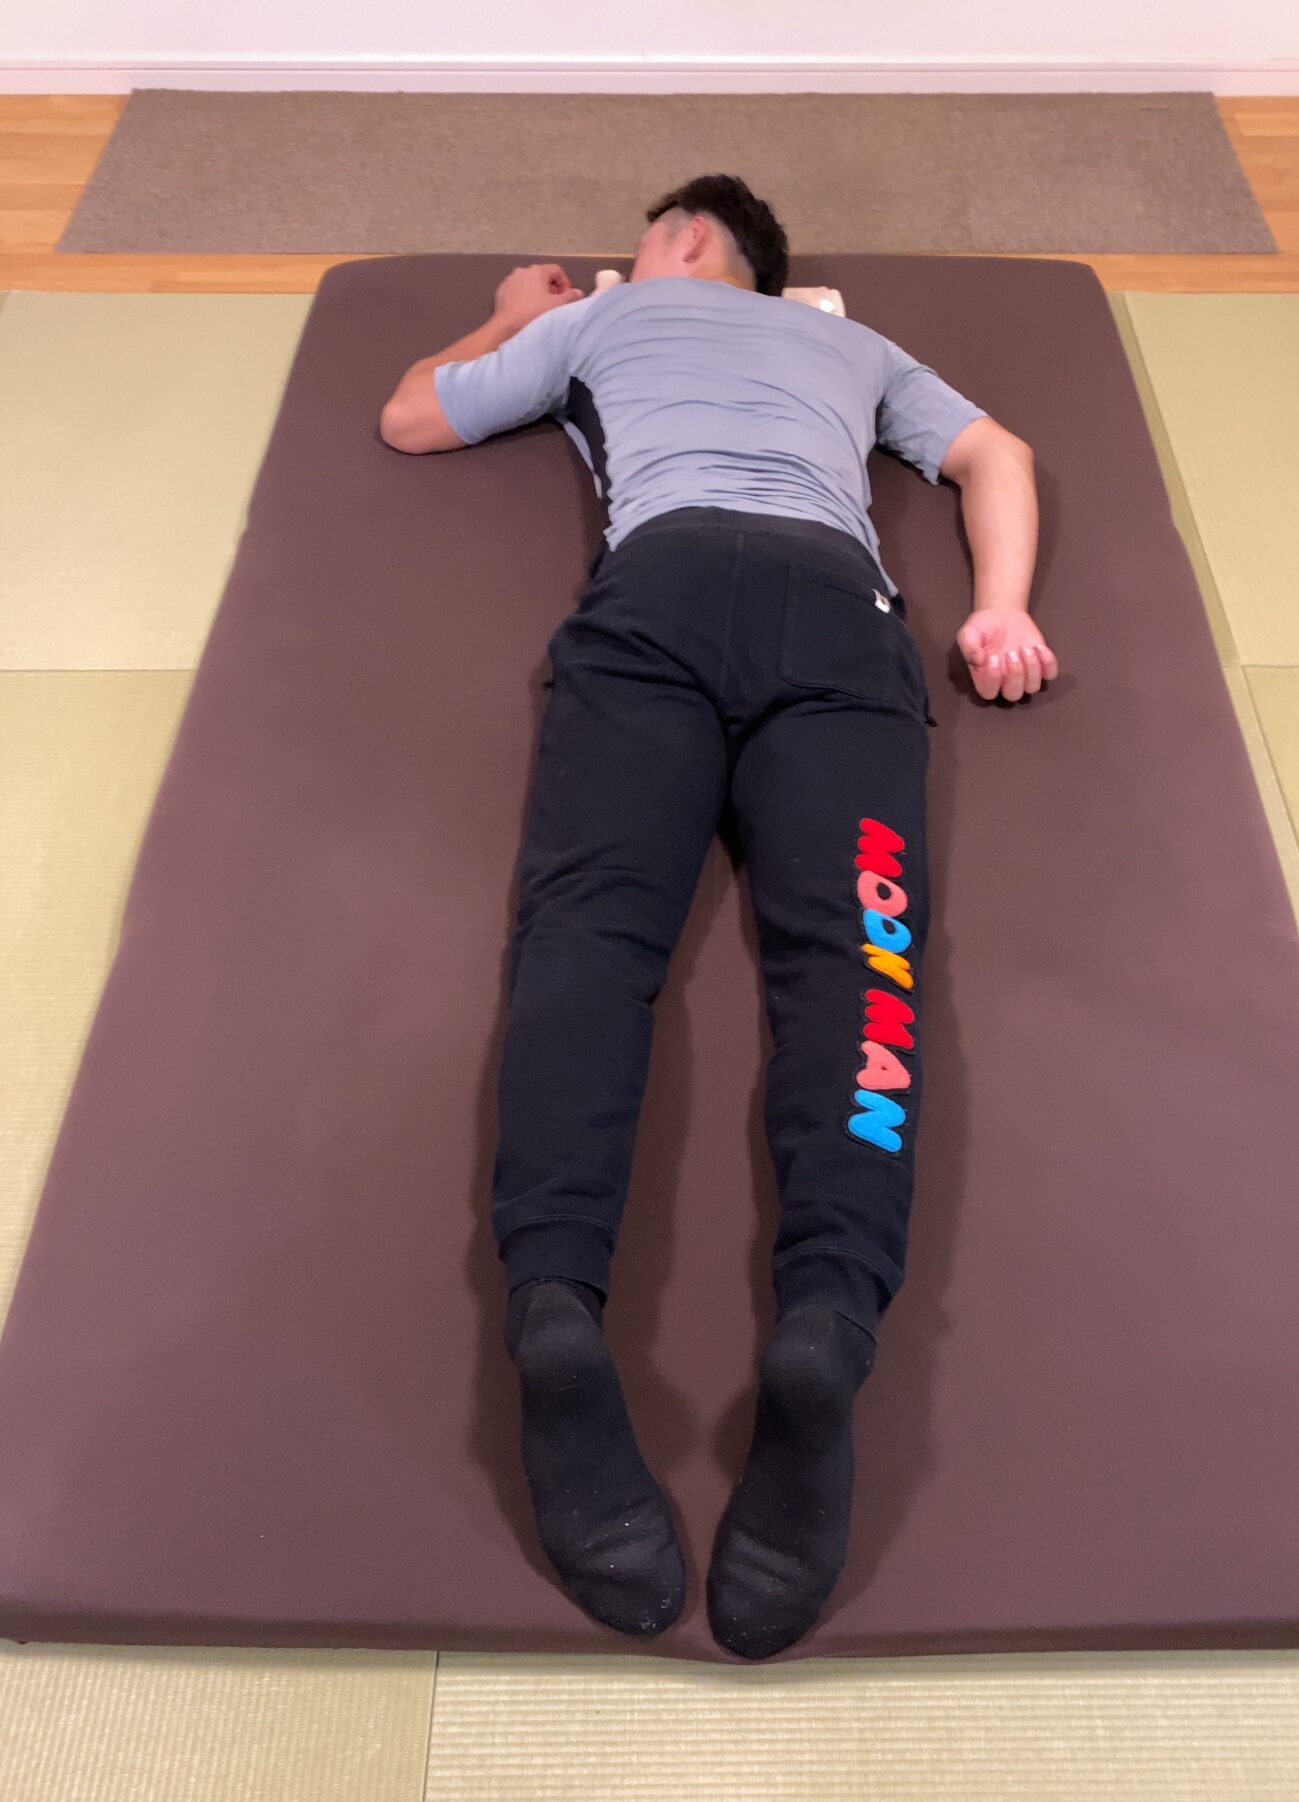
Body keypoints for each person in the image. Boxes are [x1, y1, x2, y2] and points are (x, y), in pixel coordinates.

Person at [380, 173, 1056, 1660]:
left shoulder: (609, 320)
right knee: (863, 971)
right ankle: (828, 1323)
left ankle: (554, 1301)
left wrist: (505, 317)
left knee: (587, 942)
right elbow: (994, 452)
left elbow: (414, 416)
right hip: (840, 620)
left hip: (659, 598)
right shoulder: (853, 344)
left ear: (683, 241)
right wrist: (1001, 607)